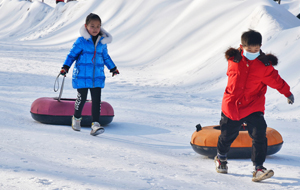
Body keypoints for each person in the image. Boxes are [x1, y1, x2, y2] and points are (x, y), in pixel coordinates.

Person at [214, 29, 294, 182]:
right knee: (227, 136)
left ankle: (258, 168)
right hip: (232, 106)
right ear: (242, 46)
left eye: (256, 49)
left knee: (259, 134)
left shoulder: (263, 66)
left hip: (253, 105)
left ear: (260, 46)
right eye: (249, 49)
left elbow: (276, 80)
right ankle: (221, 158)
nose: (253, 51)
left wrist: (287, 93)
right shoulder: (234, 60)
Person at [60, 13, 119, 136]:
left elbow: (106, 57)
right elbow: (72, 55)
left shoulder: (102, 42)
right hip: (82, 76)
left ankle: (95, 124)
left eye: (98, 26)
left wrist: (113, 68)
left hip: (97, 77)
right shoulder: (81, 41)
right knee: (81, 98)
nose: (95, 29)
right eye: (92, 26)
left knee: (96, 100)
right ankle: (76, 118)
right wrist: (65, 67)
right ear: (86, 26)